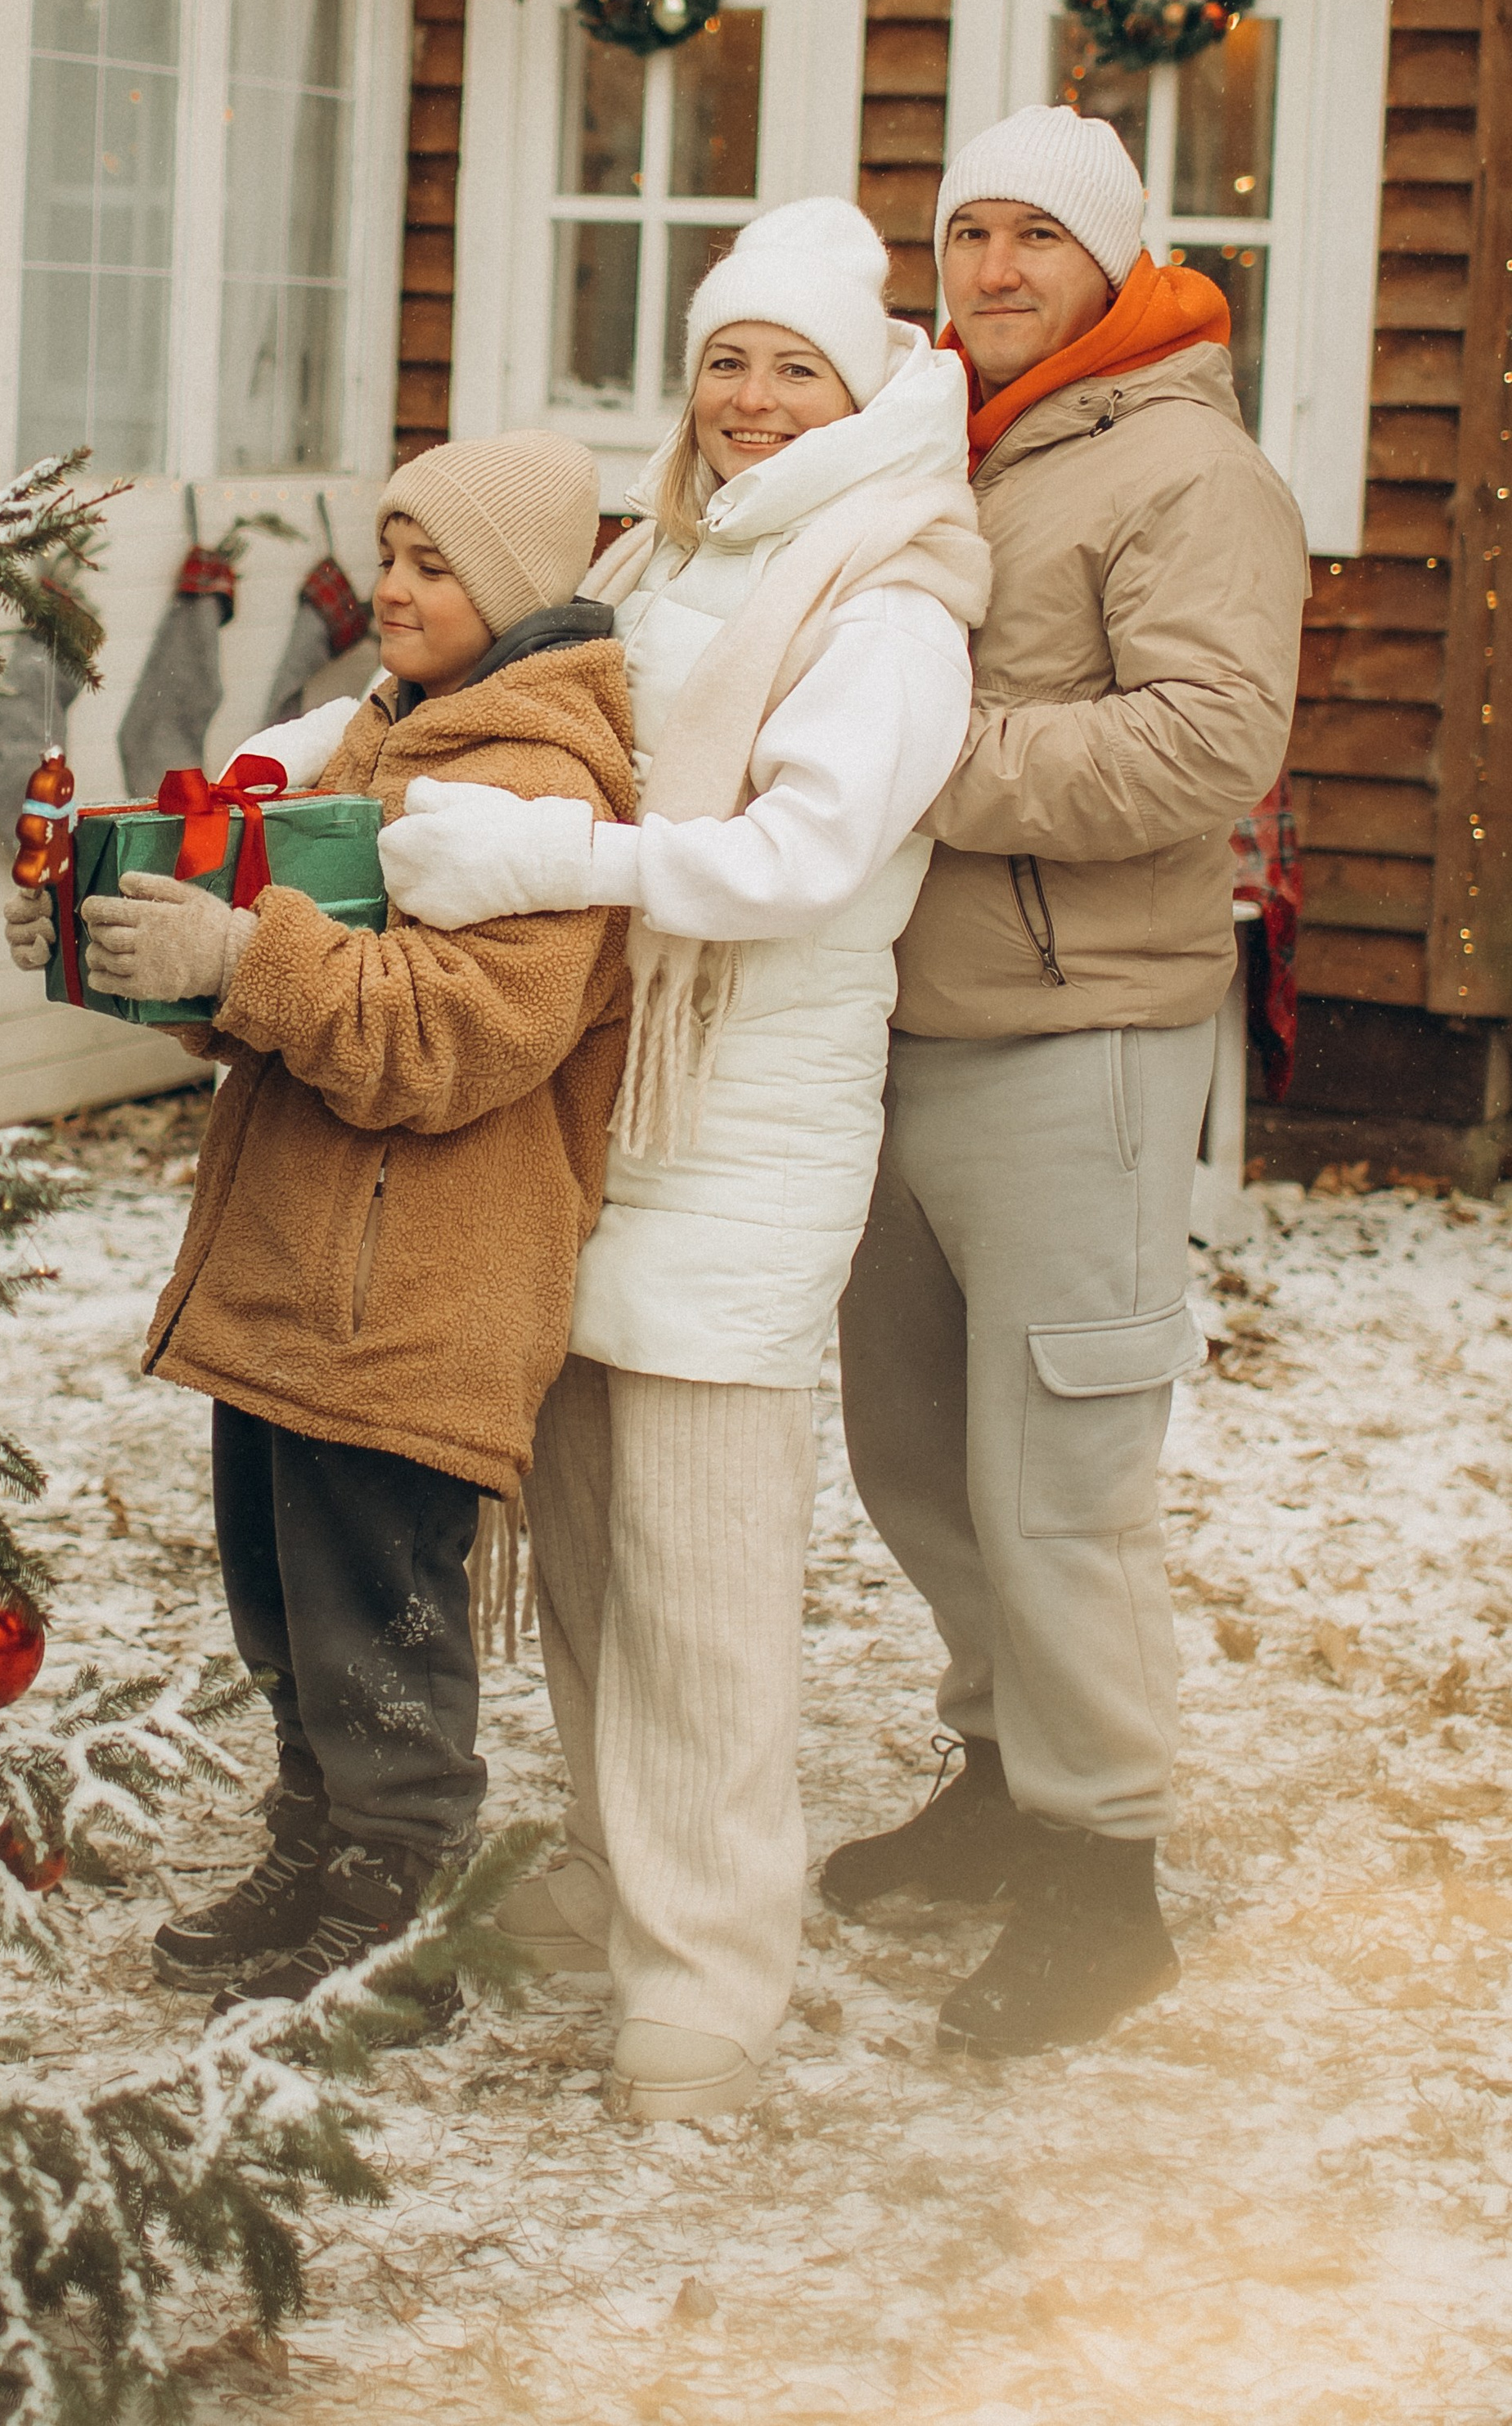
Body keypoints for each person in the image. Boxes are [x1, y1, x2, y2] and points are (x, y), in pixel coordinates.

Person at [377, 199, 989, 2119]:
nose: (746, 395)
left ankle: (710, 1978)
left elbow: (798, 867)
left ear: (863, 383)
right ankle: (608, 1875)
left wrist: (544, 869)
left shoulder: (883, 603)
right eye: (725, 357)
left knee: (703, 1588)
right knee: (574, 1550)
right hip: (580, 1113)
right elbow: (519, 716)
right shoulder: (658, 562)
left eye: (792, 364)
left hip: (739, 1128)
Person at [4, 433, 635, 2029]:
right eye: (391, 554)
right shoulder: (389, 734)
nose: (395, 589)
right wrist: (129, 946)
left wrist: (237, 955)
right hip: (306, 1266)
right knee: (282, 1598)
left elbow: (450, 1039)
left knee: (377, 1615)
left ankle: (399, 1897)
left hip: (414, 1289)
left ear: (507, 588)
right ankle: (313, 1840)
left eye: (432, 565)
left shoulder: (542, 789)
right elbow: (293, 995)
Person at [823, 102, 1309, 2059]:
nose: (994, 269)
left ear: (1112, 260)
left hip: (1076, 1040)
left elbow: (1207, 744)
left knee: (1060, 1480)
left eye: (1035, 236)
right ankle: (1000, 1777)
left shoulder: (1188, 469)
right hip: (896, 1041)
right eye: (967, 236)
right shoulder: (946, 443)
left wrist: (923, 764)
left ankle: (1103, 1874)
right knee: (921, 1458)